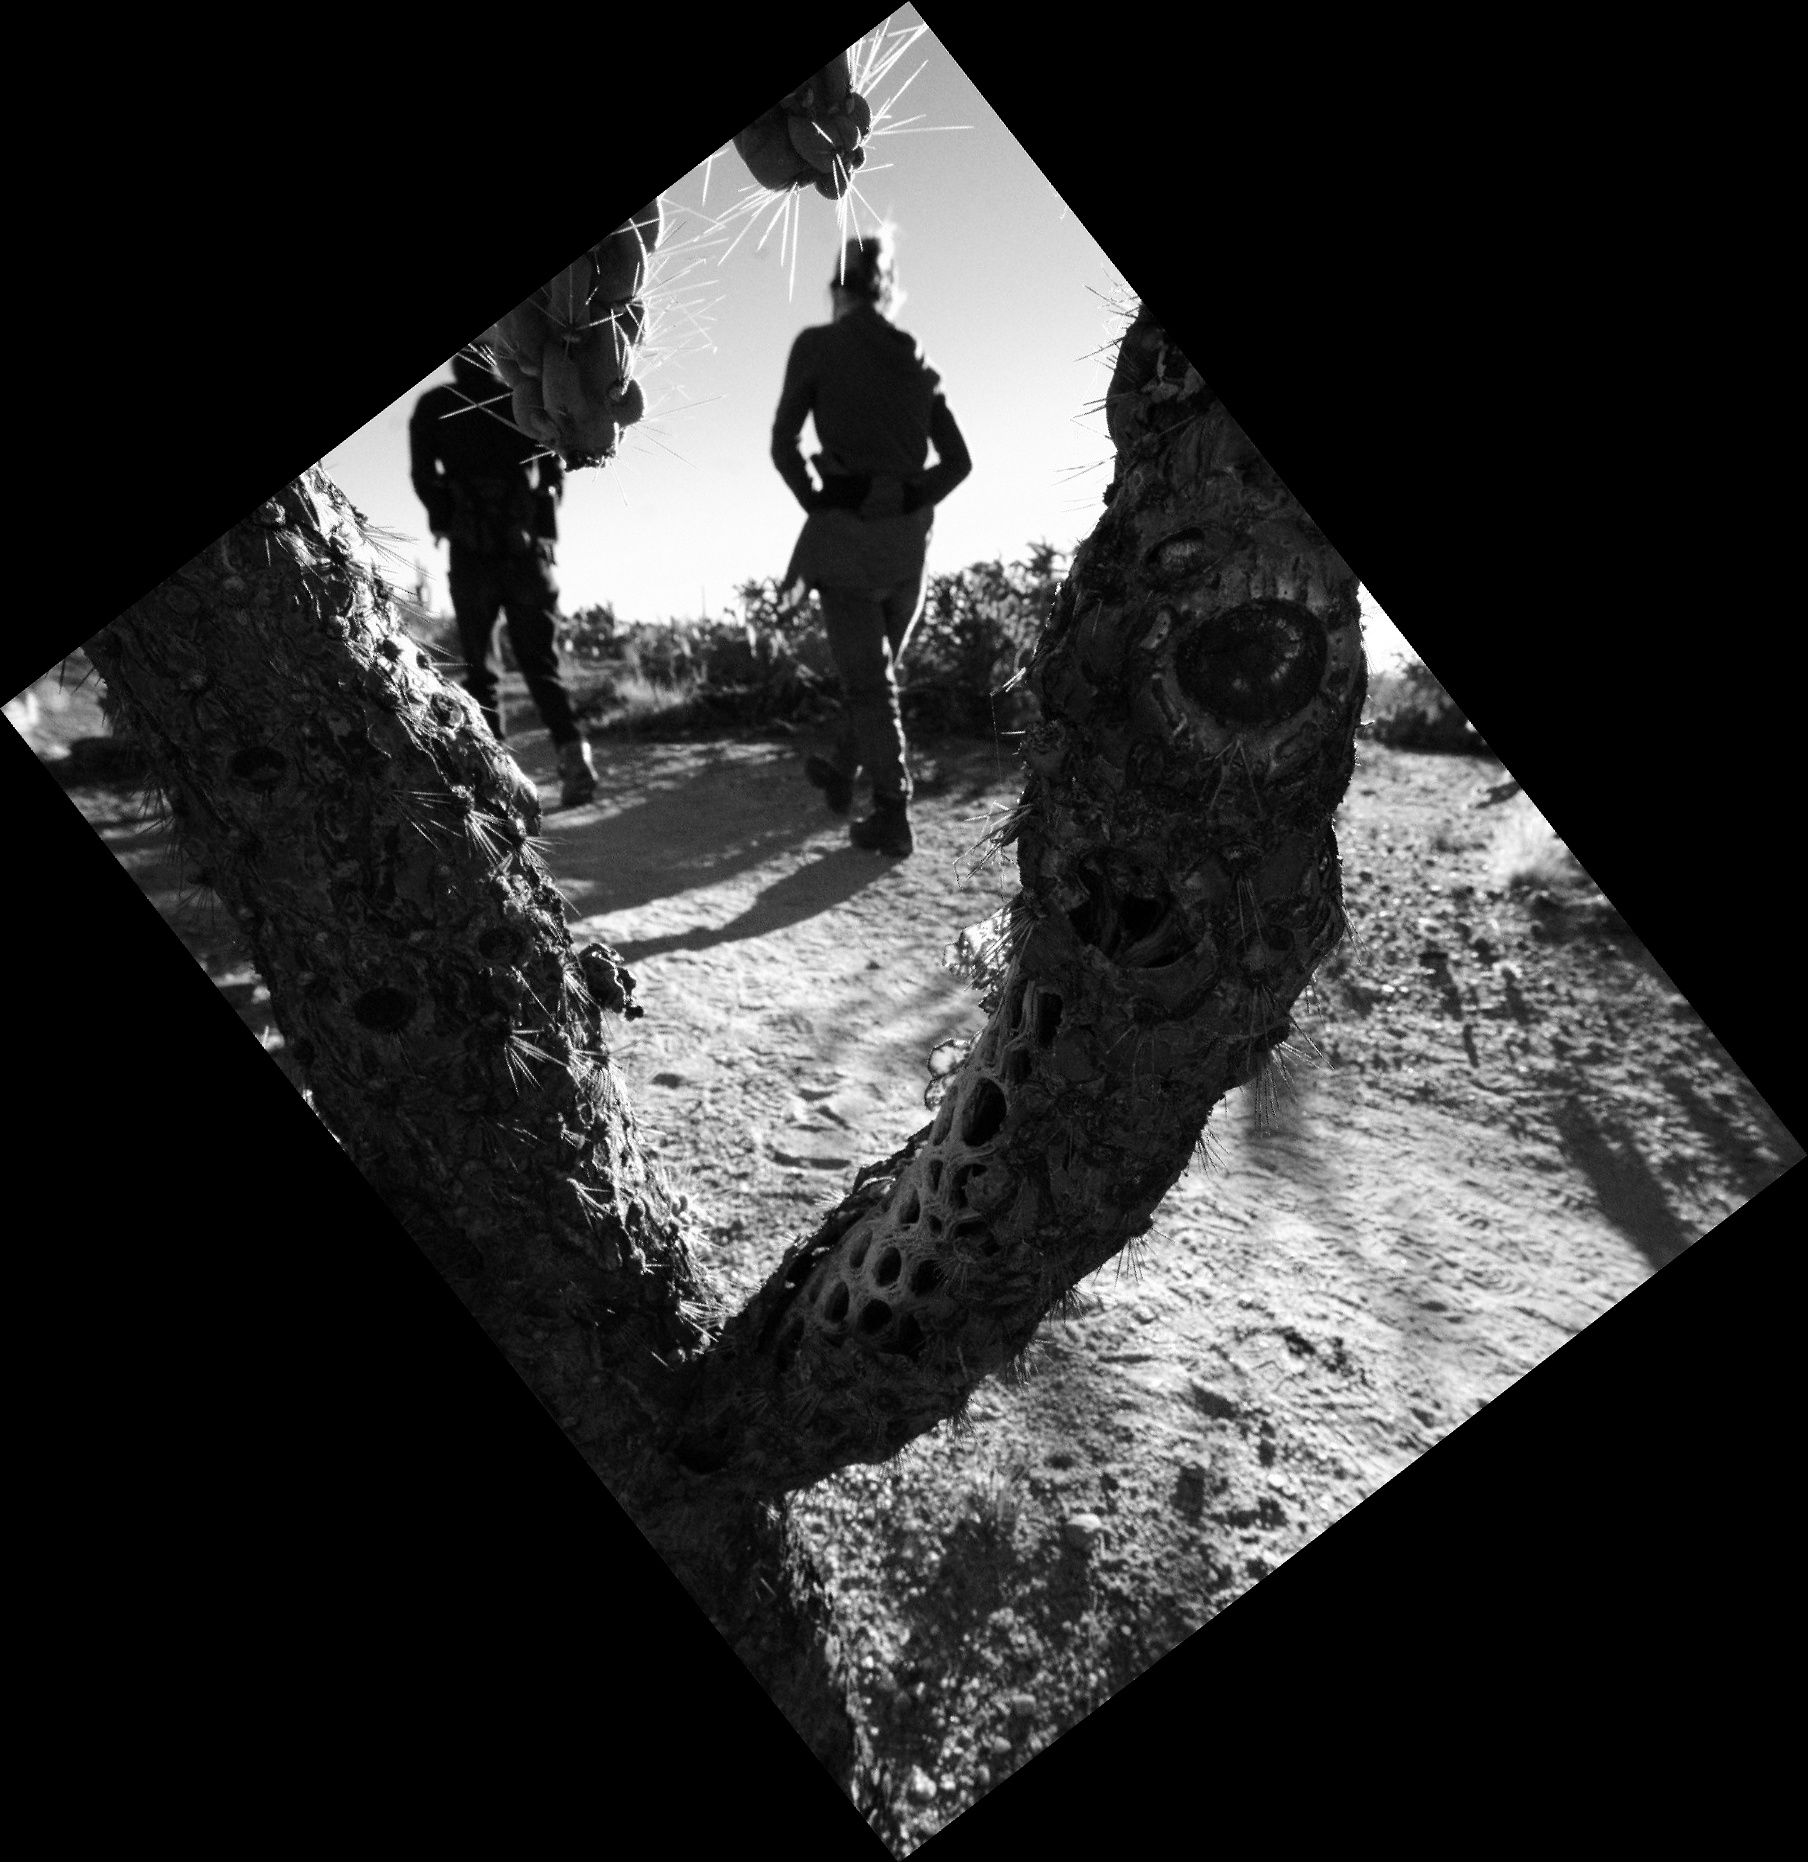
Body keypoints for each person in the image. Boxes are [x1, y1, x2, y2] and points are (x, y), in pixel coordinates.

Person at [771, 232, 972, 858]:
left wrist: (823, 502)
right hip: (908, 546)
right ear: (888, 290)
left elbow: (783, 444)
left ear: (837, 287)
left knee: (868, 684)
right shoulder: (916, 358)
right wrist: (906, 497)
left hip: (847, 544)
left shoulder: (816, 345)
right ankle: (843, 771)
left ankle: (892, 812)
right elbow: (959, 463)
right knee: (877, 677)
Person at [409, 352, 599, 808]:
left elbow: (422, 475)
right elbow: (552, 469)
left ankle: (498, 786)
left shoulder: (435, 405)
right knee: (542, 665)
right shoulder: (524, 399)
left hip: (471, 549)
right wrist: (544, 529)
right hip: (525, 548)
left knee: (482, 672)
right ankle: (575, 760)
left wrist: (446, 518)